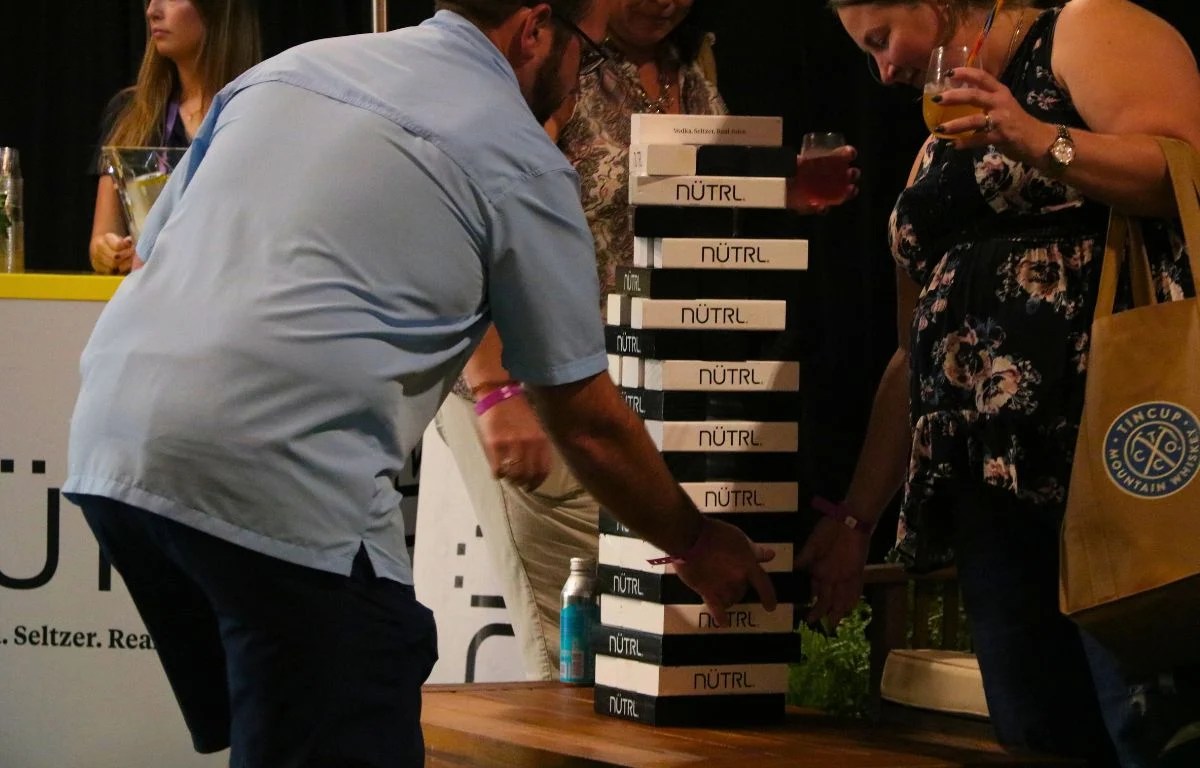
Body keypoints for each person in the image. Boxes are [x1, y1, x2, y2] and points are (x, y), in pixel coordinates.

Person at [63, 1, 779, 764]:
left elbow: (151, 251)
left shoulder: (289, 70)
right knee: (356, 696)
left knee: (291, 725)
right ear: (535, 30)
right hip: (275, 467)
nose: (585, 73)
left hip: (113, 449)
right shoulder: (518, 154)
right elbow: (584, 419)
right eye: (588, 50)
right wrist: (695, 540)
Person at [797, 0, 1200, 765]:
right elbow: (914, 353)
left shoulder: (1081, 30)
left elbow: (1185, 168)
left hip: (1111, 460)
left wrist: (1037, 139)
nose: (882, 70)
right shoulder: (936, 146)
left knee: (1153, 727)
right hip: (990, 487)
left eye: (882, 40)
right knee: (1037, 732)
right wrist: (855, 519)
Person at [434, 0, 860, 681]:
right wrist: (494, 388)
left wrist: (779, 194)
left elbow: (699, 195)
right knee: (577, 638)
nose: (664, 2)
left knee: (646, 646)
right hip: (538, 384)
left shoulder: (694, 71)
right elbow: (475, 218)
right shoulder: (557, 66)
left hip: (648, 390)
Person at [88, 0, 260, 275]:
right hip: (152, 294)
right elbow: (102, 237)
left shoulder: (258, 111)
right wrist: (108, 251)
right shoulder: (130, 112)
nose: (152, 11)